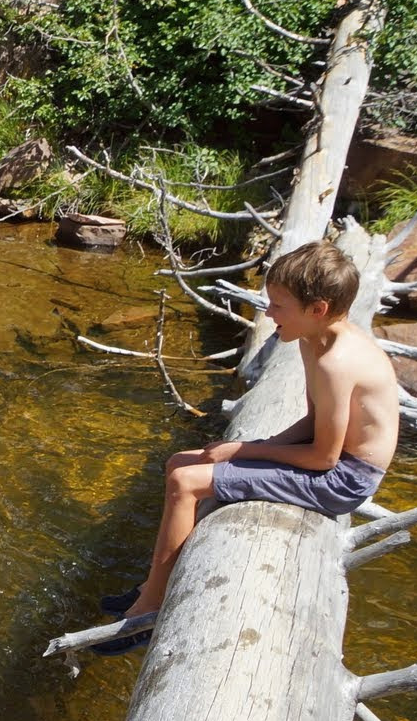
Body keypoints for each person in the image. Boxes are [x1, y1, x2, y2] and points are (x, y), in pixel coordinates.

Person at [94, 239, 400, 655]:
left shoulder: (336, 362)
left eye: (278, 305)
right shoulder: (315, 341)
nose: (268, 314)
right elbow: (314, 423)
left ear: (318, 309)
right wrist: (252, 445)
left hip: (344, 479)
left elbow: (323, 458)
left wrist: (242, 452)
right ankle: (153, 584)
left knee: (187, 482)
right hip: (330, 458)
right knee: (178, 462)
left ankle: (150, 610)